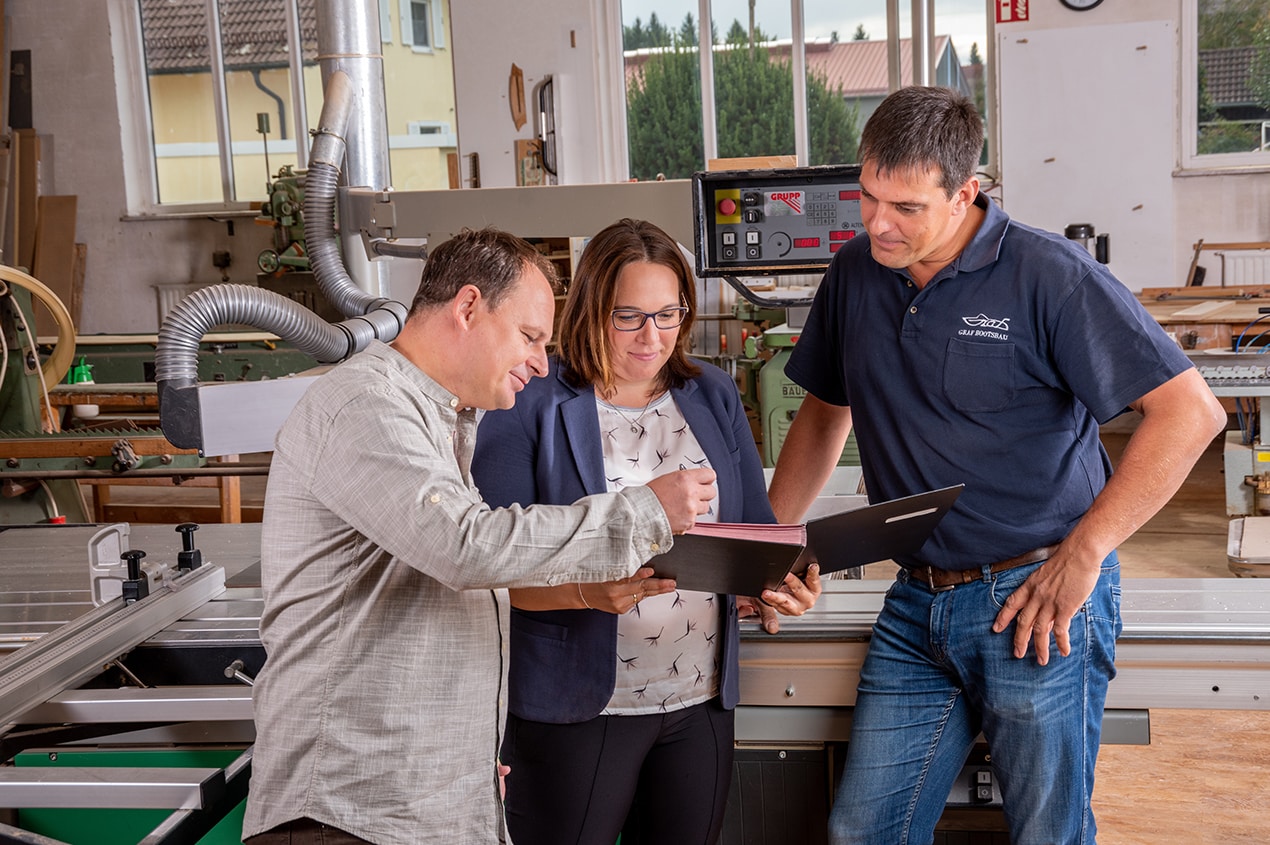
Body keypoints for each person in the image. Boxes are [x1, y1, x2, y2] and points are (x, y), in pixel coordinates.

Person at [767, 86, 1226, 845]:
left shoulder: (1049, 275)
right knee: (861, 830)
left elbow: (1190, 413)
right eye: (868, 197)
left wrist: (1087, 553)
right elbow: (824, 409)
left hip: (1035, 599)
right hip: (916, 605)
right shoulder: (855, 271)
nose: (878, 223)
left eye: (906, 207)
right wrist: (771, 543)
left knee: (1047, 833)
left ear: (965, 193)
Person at [241, 227, 719, 845]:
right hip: (347, 809)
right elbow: (466, 548)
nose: (540, 363)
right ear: (468, 307)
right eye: (528, 337)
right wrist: (641, 514)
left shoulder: (443, 420)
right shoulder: (364, 405)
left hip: (424, 802)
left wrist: (470, 754)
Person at [471, 218, 822, 845]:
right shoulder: (532, 402)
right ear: (589, 310)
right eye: (627, 316)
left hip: (699, 700)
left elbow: (757, 534)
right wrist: (584, 593)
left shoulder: (709, 393)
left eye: (668, 314)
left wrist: (782, 583)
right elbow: (485, 572)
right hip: (579, 704)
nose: (651, 336)